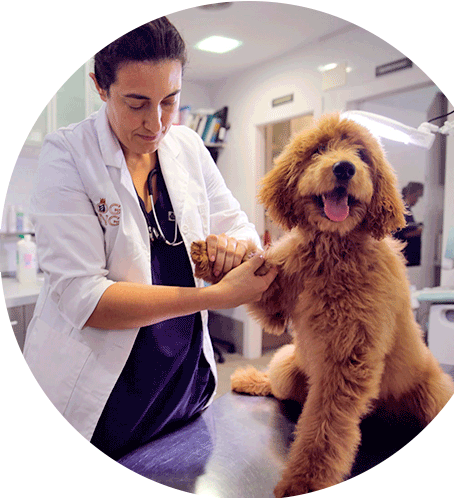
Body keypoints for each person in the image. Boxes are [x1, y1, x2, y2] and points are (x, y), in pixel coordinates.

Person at [23, 17, 277, 460]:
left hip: (185, 389)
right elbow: (88, 300)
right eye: (137, 103)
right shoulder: (67, 155)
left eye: (169, 101)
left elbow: (241, 228)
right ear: (101, 88)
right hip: (104, 403)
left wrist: (234, 250)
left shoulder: (188, 147)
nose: (156, 123)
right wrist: (214, 296)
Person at [394, 181, 424, 266]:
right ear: (411, 194)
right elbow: (404, 234)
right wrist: (423, 231)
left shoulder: (406, 209)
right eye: (417, 196)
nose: (417, 200)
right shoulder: (403, 209)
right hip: (405, 254)